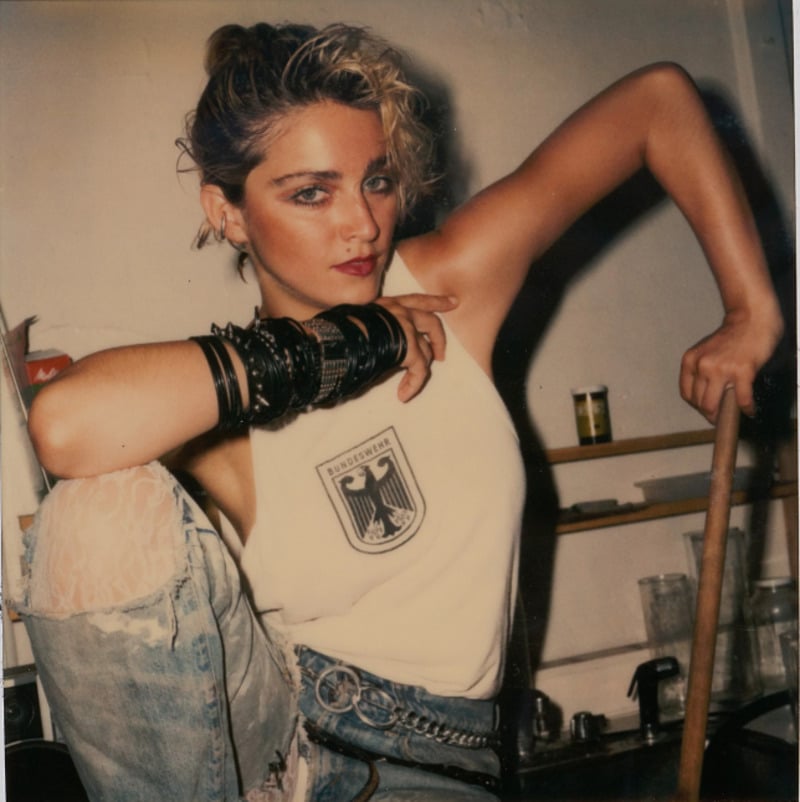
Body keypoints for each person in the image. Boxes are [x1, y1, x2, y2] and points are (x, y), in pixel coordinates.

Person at [14, 20, 783, 802]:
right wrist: (349, 343)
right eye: (311, 193)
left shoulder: (446, 291)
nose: (363, 224)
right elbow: (65, 424)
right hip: (280, 749)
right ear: (228, 212)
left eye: (376, 181)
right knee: (93, 515)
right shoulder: (225, 414)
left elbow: (657, 103)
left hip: (435, 767)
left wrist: (749, 310)